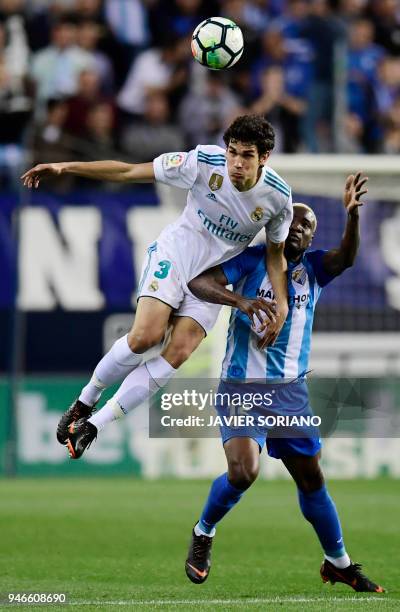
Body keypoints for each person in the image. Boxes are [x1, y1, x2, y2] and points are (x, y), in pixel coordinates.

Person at [21, 114, 293, 460]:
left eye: (247, 156)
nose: (236, 163)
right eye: (233, 152)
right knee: (145, 336)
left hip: (212, 280)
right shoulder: (202, 162)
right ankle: (85, 401)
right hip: (175, 255)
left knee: (178, 352)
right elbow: (128, 171)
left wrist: (281, 304)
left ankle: (94, 426)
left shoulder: (277, 198)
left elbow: (276, 255)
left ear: (264, 157)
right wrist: (66, 167)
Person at [184, 172, 385, 593]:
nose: (297, 229)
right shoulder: (251, 259)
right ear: (276, 224)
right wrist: (242, 301)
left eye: (306, 226)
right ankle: (203, 532)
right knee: (243, 473)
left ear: (312, 237)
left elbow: (347, 258)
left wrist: (352, 216)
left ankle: (338, 562)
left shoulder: (314, 270)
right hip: (241, 387)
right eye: (291, 222)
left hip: (290, 393)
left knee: (312, 480)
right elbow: (198, 283)